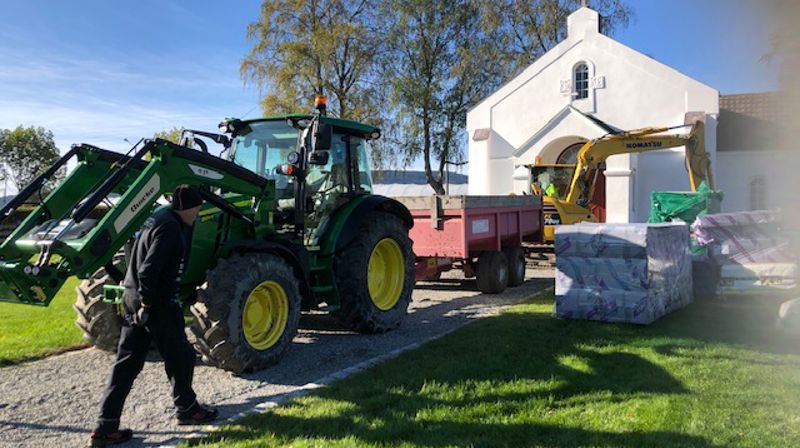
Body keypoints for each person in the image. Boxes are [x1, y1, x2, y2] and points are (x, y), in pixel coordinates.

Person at [90, 186, 218, 447]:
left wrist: (134, 297)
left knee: (125, 365)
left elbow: (135, 263)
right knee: (182, 356)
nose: (198, 212)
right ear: (187, 207)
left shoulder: (157, 219)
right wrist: (148, 304)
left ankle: (106, 428)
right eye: (197, 207)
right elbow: (149, 270)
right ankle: (188, 409)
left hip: (133, 300)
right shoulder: (170, 227)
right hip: (155, 305)